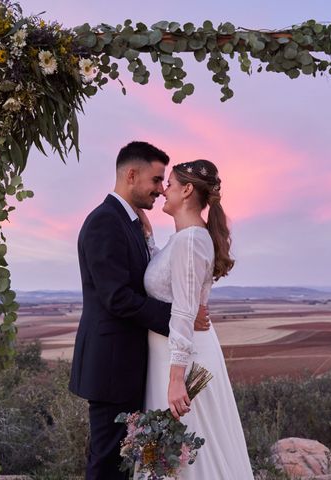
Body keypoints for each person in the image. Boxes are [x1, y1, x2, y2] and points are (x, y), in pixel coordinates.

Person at [68, 142, 210, 480]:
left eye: (165, 183)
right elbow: (116, 297)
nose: (161, 190)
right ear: (131, 175)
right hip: (111, 366)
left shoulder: (131, 223)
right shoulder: (105, 222)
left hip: (129, 365)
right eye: (157, 180)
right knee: (107, 462)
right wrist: (176, 319)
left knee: (124, 460)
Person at [138, 159, 254, 479]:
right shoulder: (184, 238)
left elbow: (185, 312)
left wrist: (176, 379)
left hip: (181, 363)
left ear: (187, 190)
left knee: (189, 454)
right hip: (174, 356)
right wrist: (148, 238)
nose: (163, 190)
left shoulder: (190, 241)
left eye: (170, 185)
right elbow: (166, 282)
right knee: (173, 454)